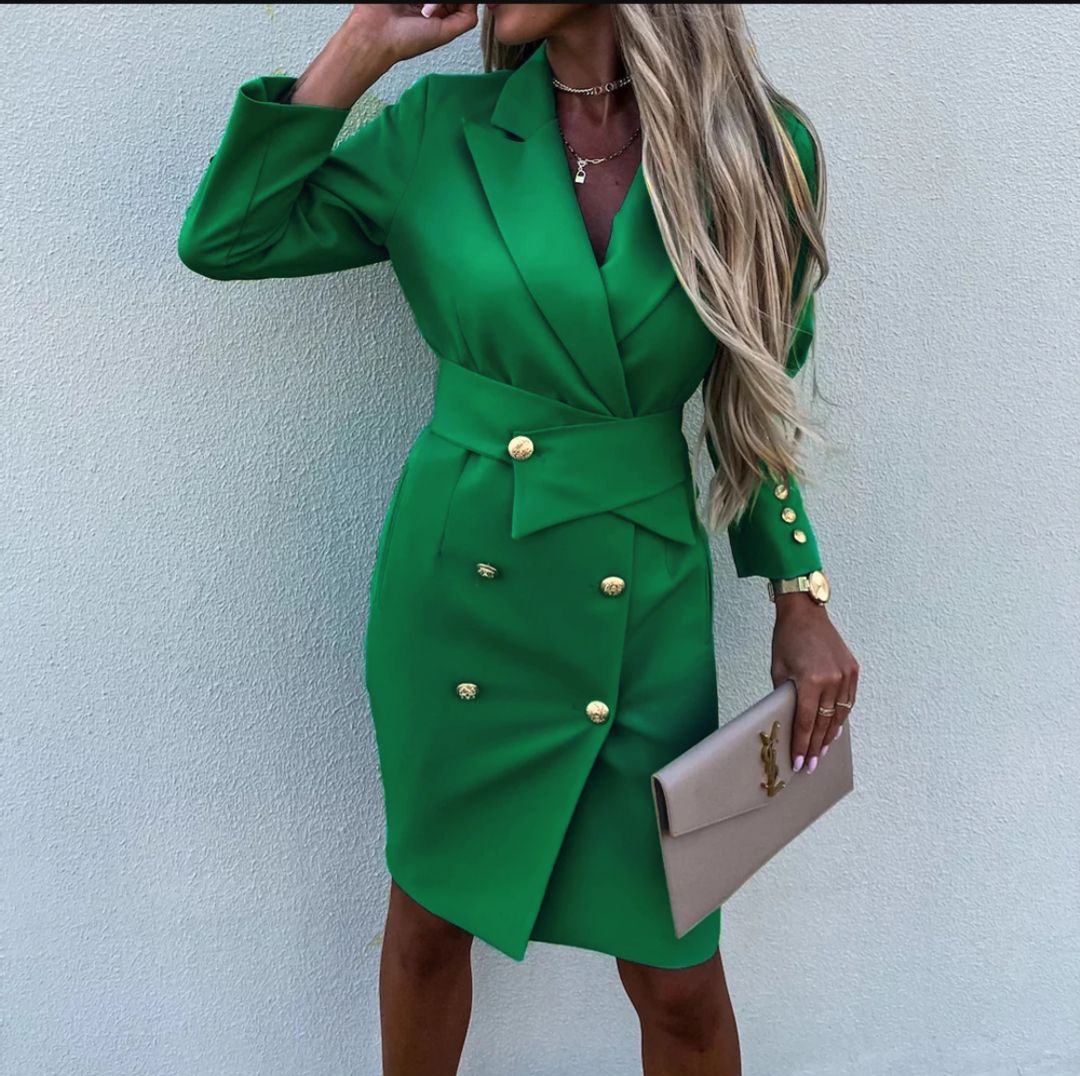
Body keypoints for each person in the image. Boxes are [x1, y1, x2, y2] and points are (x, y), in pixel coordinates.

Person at [177, 4, 859, 1073]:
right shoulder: (439, 128)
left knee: (680, 977)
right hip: (462, 587)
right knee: (429, 922)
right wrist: (363, 45)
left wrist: (799, 592)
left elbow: (758, 392)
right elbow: (227, 237)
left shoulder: (761, 148)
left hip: (643, 603)